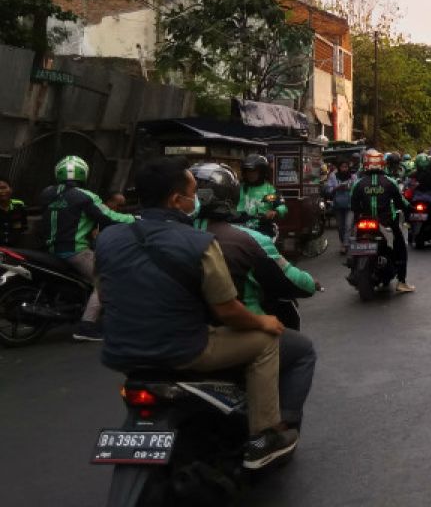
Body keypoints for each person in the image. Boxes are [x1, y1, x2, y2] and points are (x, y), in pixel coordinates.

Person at [94, 156, 296, 470]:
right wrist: (263, 321)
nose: (196, 200)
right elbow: (228, 310)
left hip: (120, 352)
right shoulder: (201, 242)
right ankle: (263, 435)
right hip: (183, 349)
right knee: (266, 340)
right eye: (192, 194)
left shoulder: (107, 238)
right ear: (177, 201)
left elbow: (105, 294)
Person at [190, 162, 318, 430]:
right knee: (301, 350)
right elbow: (286, 280)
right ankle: (274, 429)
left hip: (260, 231)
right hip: (220, 331)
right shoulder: (239, 241)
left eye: (253, 171)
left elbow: (280, 208)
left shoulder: (164, 236)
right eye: (246, 172)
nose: (249, 175)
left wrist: (272, 212)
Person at [38, 155, 135, 342]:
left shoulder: (47, 193)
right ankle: (87, 326)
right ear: (84, 174)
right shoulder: (85, 196)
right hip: (75, 251)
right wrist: (136, 220)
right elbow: (109, 217)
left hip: (51, 250)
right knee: (106, 280)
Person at [351, 149, 413, 293]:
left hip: (363, 222)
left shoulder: (358, 183)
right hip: (385, 223)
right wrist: (410, 208)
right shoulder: (390, 182)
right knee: (400, 246)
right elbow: (400, 202)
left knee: (354, 241)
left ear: (365, 164)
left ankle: (353, 269)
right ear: (382, 164)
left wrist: (359, 217)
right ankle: (402, 282)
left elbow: (353, 205)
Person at [238, 154, 287, 233]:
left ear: (262, 172)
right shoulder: (239, 188)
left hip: (263, 229)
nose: (250, 174)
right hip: (240, 230)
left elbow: (281, 206)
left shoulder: (269, 191)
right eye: (248, 171)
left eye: (254, 171)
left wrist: (275, 212)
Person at [326, 158, 357, 254]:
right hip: (338, 205)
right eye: (343, 167)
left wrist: (350, 188)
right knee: (340, 227)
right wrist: (337, 188)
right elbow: (328, 190)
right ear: (339, 167)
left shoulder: (353, 177)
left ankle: (345, 245)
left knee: (348, 225)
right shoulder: (333, 176)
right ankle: (343, 242)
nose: (344, 169)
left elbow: (357, 188)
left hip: (350, 205)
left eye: (346, 167)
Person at [0, 176, 29, 246]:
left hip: (16, 248)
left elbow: (23, 226)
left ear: (11, 189)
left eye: (4, 188)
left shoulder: (19, 205)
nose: (1, 191)